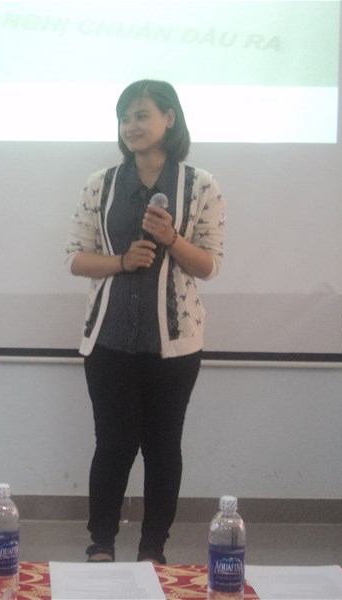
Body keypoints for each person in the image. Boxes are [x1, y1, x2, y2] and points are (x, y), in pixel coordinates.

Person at [64, 79, 226, 564]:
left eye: (141, 115)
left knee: (163, 447)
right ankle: (101, 543)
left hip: (174, 346)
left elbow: (209, 265)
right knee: (113, 446)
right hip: (108, 340)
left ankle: (153, 548)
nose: (130, 126)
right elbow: (75, 258)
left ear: (169, 119)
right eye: (124, 118)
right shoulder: (101, 184)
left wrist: (172, 239)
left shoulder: (200, 185)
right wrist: (121, 261)